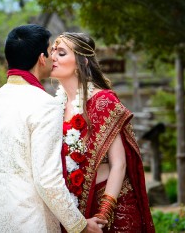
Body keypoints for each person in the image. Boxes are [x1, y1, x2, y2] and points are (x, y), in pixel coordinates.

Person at [0, 25, 106, 232]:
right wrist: (79, 224)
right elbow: (48, 180)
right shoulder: (44, 105)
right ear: (42, 59)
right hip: (27, 221)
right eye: (51, 52)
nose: (54, 58)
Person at [50, 32, 155, 232]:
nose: (53, 57)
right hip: (76, 209)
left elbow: (119, 163)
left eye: (61, 53)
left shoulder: (103, 101)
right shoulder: (54, 107)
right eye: (53, 51)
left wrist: (105, 211)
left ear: (83, 61)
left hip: (113, 203)